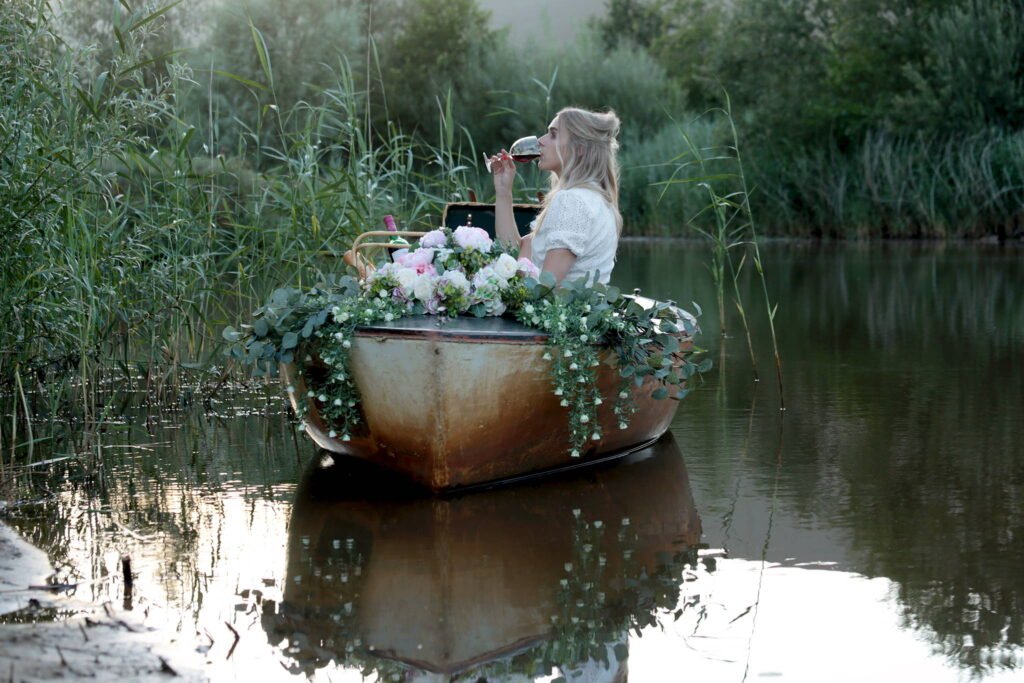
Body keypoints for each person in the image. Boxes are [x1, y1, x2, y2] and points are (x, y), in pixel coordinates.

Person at [487, 107, 622, 285]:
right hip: (573, 311)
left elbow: (545, 287)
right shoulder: (596, 199)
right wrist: (504, 193)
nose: (540, 141)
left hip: (554, 311)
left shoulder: (573, 201)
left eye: (553, 135)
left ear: (580, 149)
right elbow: (514, 254)